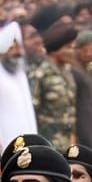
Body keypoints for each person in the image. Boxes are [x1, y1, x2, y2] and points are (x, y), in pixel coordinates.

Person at [0, 21, 37, 147]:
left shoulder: (20, 73)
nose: (18, 52)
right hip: (7, 141)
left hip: (28, 139)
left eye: (19, 47)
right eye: (13, 48)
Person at [30, 23, 78, 152]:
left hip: (67, 142)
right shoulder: (40, 73)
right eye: (69, 47)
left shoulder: (67, 73)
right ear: (56, 49)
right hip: (47, 142)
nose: (73, 51)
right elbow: (33, 109)